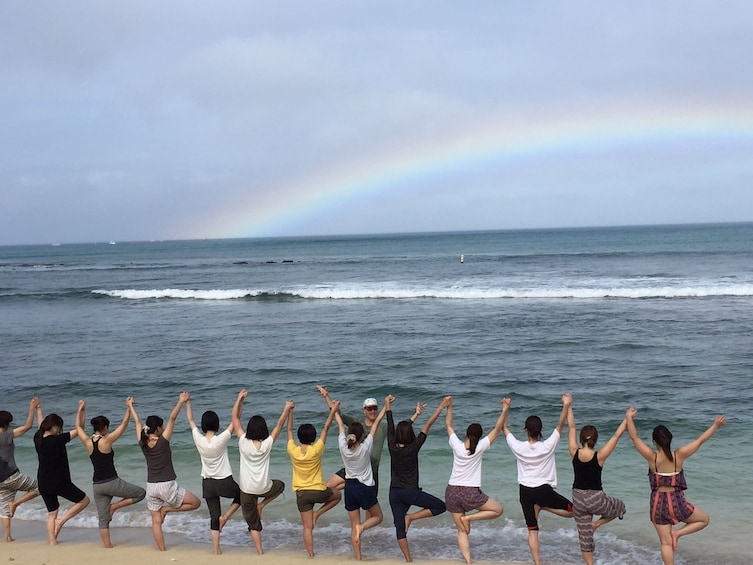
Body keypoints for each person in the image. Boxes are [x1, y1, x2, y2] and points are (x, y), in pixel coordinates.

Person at [626, 407, 725, 565]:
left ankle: (674, 540)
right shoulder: (680, 455)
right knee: (704, 520)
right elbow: (700, 440)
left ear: (654, 442)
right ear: (670, 440)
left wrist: (629, 417)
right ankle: (678, 534)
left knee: (665, 544)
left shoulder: (652, 458)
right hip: (678, 502)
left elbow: (634, 438)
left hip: (658, 504)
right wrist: (715, 425)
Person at [503, 394, 573, 565]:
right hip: (543, 491)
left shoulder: (518, 447)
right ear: (540, 430)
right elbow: (561, 425)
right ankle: (545, 507)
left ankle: (537, 563)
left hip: (525, 492)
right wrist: (566, 404)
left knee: (532, 531)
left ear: (526, 430)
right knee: (574, 511)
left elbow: (504, 429)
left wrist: (505, 408)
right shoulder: (548, 445)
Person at [128, 393, 201, 551]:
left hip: (151, 487)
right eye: (162, 426)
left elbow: (137, 422)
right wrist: (181, 401)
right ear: (159, 428)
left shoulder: (142, 442)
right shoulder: (163, 440)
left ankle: (161, 550)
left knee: (155, 522)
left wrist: (130, 406)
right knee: (196, 503)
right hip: (167, 486)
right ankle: (167, 509)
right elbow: (173, 418)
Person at [75, 397, 146, 548]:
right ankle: (115, 507)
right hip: (112, 482)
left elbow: (78, 427)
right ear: (105, 427)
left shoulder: (88, 442)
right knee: (140, 493)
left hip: (97, 486)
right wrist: (128, 407)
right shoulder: (106, 441)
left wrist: (81, 409)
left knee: (103, 519)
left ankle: (108, 546)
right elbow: (124, 425)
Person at [386, 395, 449, 563]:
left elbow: (391, 427)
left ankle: (408, 560)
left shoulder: (392, 446)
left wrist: (388, 405)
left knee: (400, 529)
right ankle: (412, 517)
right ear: (410, 434)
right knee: (441, 506)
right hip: (411, 493)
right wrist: (442, 406)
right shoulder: (413, 448)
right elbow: (429, 424)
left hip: (394, 493)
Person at [444, 396, 505, 565]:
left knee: (462, 531)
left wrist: (449, 407)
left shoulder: (456, 445)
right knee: (498, 510)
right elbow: (498, 428)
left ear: (466, 433)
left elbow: (449, 425)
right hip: (470, 492)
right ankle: (469, 518)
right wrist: (505, 409)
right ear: (479, 436)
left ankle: (469, 561)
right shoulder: (481, 446)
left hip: (452, 491)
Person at [231, 389, 292, 555]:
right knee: (280, 485)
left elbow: (235, 418)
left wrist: (239, 399)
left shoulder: (243, 442)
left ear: (249, 430)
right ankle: (262, 505)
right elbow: (279, 425)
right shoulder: (267, 444)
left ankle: (259, 551)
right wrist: (287, 409)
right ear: (264, 429)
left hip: (246, 490)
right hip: (264, 487)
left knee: (253, 523)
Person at [566, 401, 627, 565]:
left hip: (578, 498)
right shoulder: (599, 456)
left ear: (581, 439)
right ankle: (597, 524)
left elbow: (571, 427)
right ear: (595, 439)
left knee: (585, 539)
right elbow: (616, 436)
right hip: (596, 499)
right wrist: (627, 419)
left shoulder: (574, 451)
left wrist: (568, 405)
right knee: (620, 506)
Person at [334, 394, 389, 561]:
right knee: (378, 517)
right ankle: (362, 527)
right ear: (361, 436)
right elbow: (376, 424)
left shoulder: (344, 447)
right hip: (365, 488)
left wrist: (333, 407)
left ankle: (358, 558)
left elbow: (339, 424)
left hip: (349, 488)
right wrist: (385, 407)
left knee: (353, 525)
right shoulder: (365, 447)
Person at [185, 394, 241, 555]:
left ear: (203, 426)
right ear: (217, 425)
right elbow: (236, 419)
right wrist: (240, 400)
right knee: (243, 494)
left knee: (213, 517)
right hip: (224, 481)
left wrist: (187, 402)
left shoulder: (198, 439)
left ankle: (216, 550)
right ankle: (227, 516)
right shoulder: (221, 439)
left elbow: (190, 420)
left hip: (208, 484)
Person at [286, 395, 341, 557]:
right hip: (317, 490)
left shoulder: (293, 450)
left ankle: (311, 555)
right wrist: (334, 410)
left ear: (300, 437)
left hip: (301, 493)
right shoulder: (316, 450)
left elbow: (288, 430)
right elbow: (326, 427)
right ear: (312, 437)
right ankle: (318, 513)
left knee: (307, 527)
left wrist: (291, 411)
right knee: (337, 496)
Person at [34, 402, 91, 544]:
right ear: (54, 427)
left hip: (43, 482)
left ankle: (52, 542)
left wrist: (39, 409)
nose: (59, 430)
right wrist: (81, 410)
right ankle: (62, 521)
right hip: (59, 481)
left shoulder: (38, 438)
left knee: (52, 512)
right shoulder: (58, 440)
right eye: (58, 428)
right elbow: (80, 429)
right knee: (84, 500)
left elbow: (40, 425)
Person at [318, 385, 388, 493]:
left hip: (371, 473)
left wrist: (415, 415)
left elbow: (401, 428)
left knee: (368, 508)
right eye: (370, 408)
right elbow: (338, 415)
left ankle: (352, 484)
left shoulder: (383, 427)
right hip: (353, 470)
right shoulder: (357, 423)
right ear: (364, 410)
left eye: (375, 408)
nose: (373, 411)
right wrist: (326, 397)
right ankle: (351, 484)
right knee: (328, 486)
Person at [0, 397, 41, 542]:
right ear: (7, 424)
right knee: (40, 487)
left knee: (4, 510)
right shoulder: (7, 435)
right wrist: (32, 408)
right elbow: (28, 426)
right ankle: (15, 504)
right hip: (12, 476)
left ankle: (8, 537)